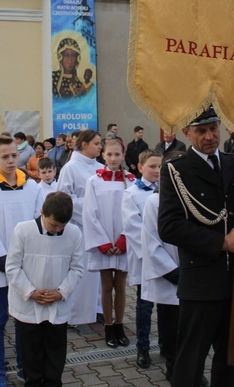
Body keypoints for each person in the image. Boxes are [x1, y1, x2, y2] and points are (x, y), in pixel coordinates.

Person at [158, 107, 234, 386]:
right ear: (187, 132)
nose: (210, 136)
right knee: (190, 361)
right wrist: (221, 242)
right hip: (202, 280)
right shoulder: (177, 170)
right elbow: (169, 226)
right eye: (201, 131)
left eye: (213, 128)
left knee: (230, 357)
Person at [0, 135, 44, 387]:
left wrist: (28, 260)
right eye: (4, 156)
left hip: (26, 265)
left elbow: (40, 221)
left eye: (14, 155)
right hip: (0, 265)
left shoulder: (31, 186)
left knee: (23, 319)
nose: (11, 160)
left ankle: (25, 366)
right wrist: (6, 263)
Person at [6, 192, 85, 387]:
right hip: (29, 305)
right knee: (31, 354)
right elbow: (12, 266)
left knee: (55, 352)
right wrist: (30, 291)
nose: (58, 230)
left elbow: (77, 268)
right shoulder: (23, 231)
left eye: (62, 226)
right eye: (53, 225)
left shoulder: (74, 233)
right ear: (42, 212)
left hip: (57, 304)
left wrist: (62, 292)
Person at [83, 139, 135, 348]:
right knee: (106, 285)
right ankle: (108, 326)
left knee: (120, 286)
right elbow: (89, 213)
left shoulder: (131, 181)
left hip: (122, 241)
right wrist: (103, 242)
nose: (113, 158)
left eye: (117, 155)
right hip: (103, 242)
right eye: (109, 154)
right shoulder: (93, 181)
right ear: (102, 155)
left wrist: (124, 239)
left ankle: (120, 324)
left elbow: (133, 213)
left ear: (123, 156)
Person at [55, 129, 103, 326]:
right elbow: (64, 198)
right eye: (97, 143)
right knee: (81, 270)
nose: (101, 147)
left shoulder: (100, 167)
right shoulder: (71, 167)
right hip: (80, 227)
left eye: (101, 143)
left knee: (98, 270)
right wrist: (91, 206)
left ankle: (98, 308)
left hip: (100, 227)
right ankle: (75, 313)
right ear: (84, 145)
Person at [121, 149, 162, 368]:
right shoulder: (132, 193)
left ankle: (167, 344)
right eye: (152, 166)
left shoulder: (167, 190)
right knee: (145, 305)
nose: (157, 170)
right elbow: (133, 227)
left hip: (167, 257)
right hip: (145, 258)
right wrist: (152, 253)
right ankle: (143, 348)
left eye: (160, 167)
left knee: (167, 304)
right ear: (140, 168)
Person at [141, 186, 180, 383]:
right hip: (169, 273)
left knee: (192, 328)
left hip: (195, 273)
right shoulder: (155, 201)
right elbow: (150, 239)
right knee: (171, 326)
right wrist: (172, 271)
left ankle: (192, 367)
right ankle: (173, 367)